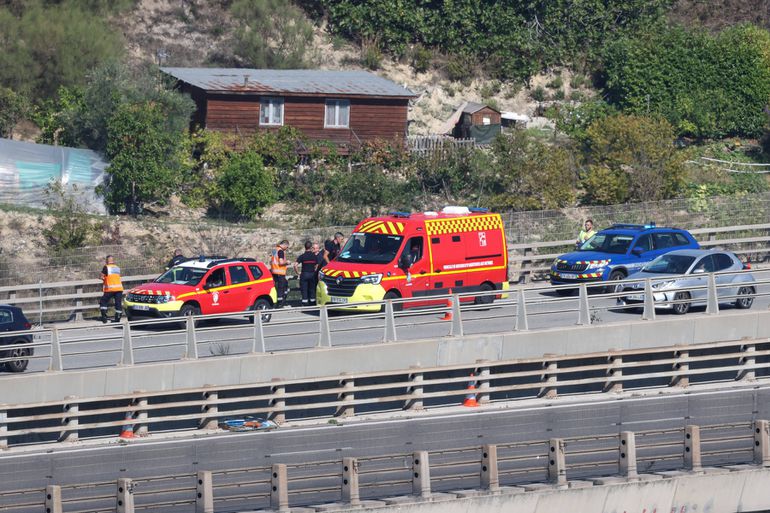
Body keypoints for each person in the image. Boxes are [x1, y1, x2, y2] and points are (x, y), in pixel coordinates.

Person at [294, 241, 320, 307]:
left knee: (304, 289)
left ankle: (305, 303)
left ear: (305, 247)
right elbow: (317, 264)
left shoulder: (302, 256)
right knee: (312, 288)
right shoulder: (314, 256)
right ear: (311, 247)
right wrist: (315, 270)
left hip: (304, 274)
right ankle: (312, 302)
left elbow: (295, 265)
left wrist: (297, 272)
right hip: (312, 274)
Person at [100, 255, 124, 323]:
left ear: (107, 261)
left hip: (110, 289)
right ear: (113, 260)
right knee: (118, 303)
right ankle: (117, 318)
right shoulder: (117, 267)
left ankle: (104, 317)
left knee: (103, 301)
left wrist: (103, 278)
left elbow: (102, 276)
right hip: (119, 289)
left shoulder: (106, 267)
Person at [270, 240, 290, 307]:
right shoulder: (280, 251)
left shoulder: (274, 250)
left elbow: (272, 261)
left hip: (273, 271)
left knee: (276, 287)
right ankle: (280, 303)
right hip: (279, 272)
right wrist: (287, 262)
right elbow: (281, 263)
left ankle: (275, 302)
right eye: (287, 247)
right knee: (281, 288)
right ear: (284, 245)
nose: (286, 249)